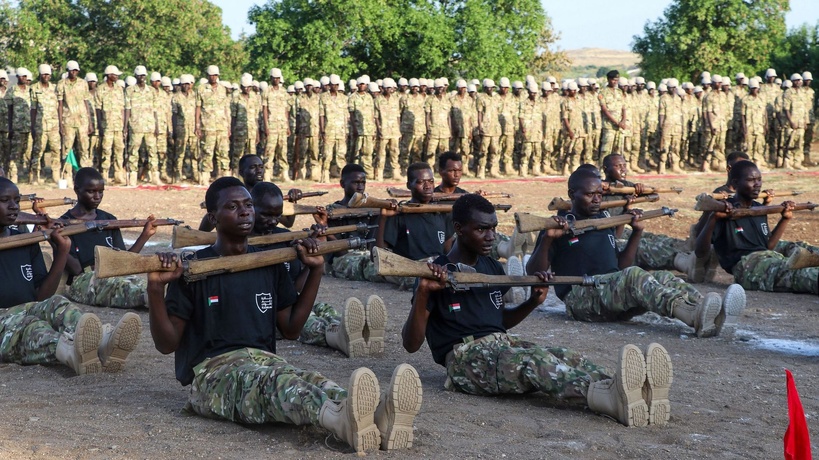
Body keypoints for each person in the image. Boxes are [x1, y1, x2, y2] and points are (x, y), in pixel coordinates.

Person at [146, 177, 422, 453]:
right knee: (278, 385)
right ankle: (341, 422)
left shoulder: (269, 263)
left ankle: (377, 417)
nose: (245, 212)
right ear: (212, 217)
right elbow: (166, 344)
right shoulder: (193, 271)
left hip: (265, 361)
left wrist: (315, 270)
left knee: (312, 380)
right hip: (213, 375)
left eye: (248, 205)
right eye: (232, 206)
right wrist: (156, 288)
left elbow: (290, 328)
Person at [403, 193, 673, 427]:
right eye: (481, 229)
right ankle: (609, 399)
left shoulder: (492, 268)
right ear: (459, 229)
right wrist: (424, 294)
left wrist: (532, 302)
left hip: (499, 345)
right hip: (464, 361)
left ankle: (629, 389)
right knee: (534, 363)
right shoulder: (432, 273)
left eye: (494, 228)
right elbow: (411, 343)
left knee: (562, 356)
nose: (491, 236)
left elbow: (497, 323)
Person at [527, 168, 746, 338]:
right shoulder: (560, 224)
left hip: (610, 291)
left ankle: (710, 312)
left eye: (599, 194)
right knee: (634, 276)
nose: (596, 199)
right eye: (589, 194)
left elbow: (620, 267)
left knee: (662, 277)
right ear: (572, 195)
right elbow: (533, 273)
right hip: (582, 299)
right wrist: (548, 239)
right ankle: (692, 316)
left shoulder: (605, 219)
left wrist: (636, 232)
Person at [0, 177, 141, 375]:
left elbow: (43, 296)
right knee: (31, 327)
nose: (14, 206)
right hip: (5, 320)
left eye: (17, 200)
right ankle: (71, 352)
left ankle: (103, 342)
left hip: (27, 308)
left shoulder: (25, 239)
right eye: (5, 200)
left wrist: (63, 250)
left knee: (58, 303)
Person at [250, 181, 387, 358]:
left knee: (325, 310)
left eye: (277, 215)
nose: (272, 221)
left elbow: (296, 287)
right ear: (250, 208)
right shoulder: (242, 244)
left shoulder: (283, 236)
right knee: (311, 323)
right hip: (268, 312)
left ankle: (363, 333)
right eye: (266, 215)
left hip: (288, 302)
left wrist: (314, 258)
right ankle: (339, 337)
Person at [694, 160, 818, 295]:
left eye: (759, 179)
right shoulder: (724, 210)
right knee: (801, 276)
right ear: (735, 184)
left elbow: (767, 246)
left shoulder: (758, 208)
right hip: (747, 267)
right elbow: (700, 252)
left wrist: (785, 219)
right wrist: (713, 218)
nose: (757, 184)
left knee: (801, 265)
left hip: (770, 258)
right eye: (751, 180)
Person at [61, 167, 158, 308]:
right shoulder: (64, 223)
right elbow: (76, 270)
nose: (97, 196)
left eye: (100, 192)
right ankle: (154, 301)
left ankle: (158, 299)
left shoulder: (109, 220)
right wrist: (55, 241)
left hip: (114, 275)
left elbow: (124, 261)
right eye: (91, 191)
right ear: (77, 190)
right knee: (125, 289)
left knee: (144, 284)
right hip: (84, 281)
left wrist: (145, 235)